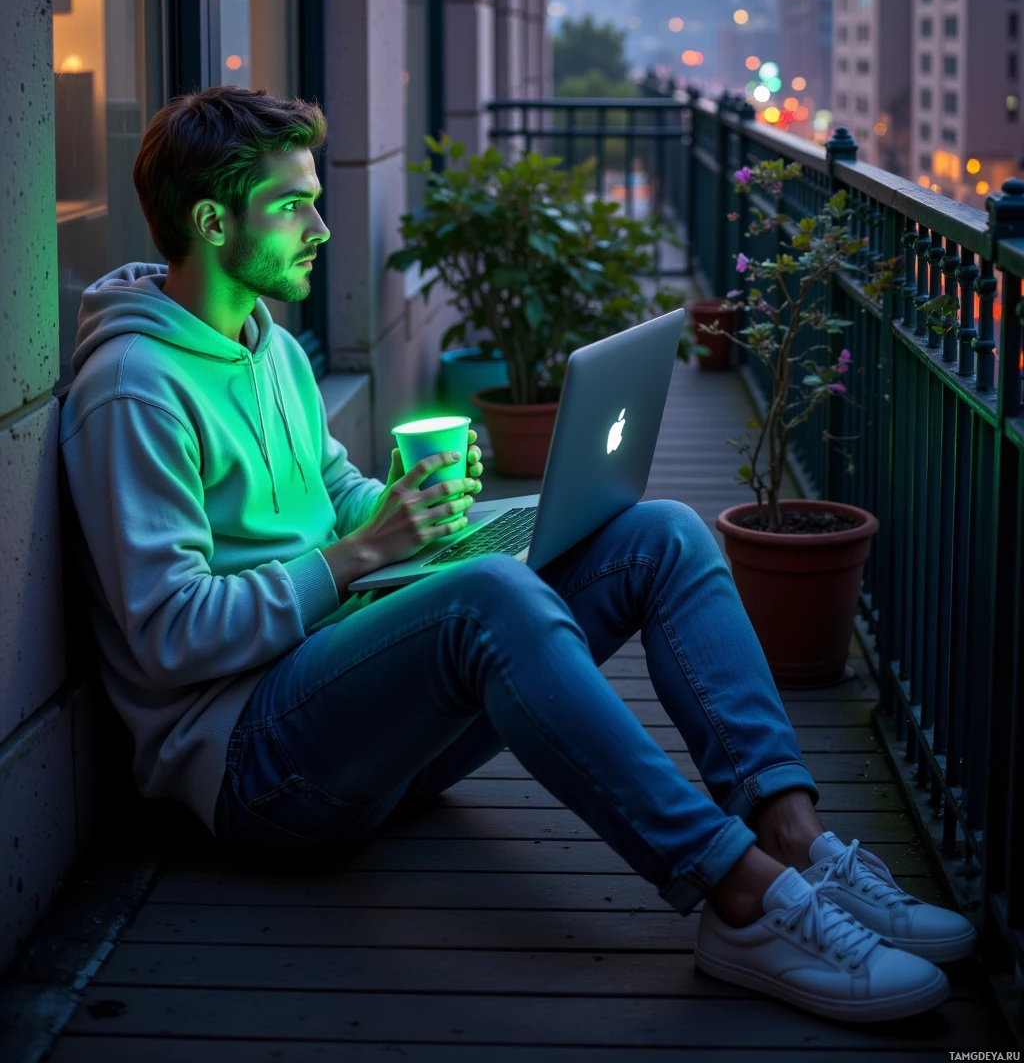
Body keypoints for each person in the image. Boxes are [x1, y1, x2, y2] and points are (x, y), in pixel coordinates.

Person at [60, 85, 975, 1026]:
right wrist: (361, 553)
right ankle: (740, 897)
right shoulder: (134, 391)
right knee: (488, 596)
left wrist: (415, 506)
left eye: (316, 199)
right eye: (293, 205)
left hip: (368, 728)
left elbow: (336, 495)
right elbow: (170, 634)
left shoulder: (274, 349)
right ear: (213, 222)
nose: (322, 228)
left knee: (660, 534)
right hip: (258, 771)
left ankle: (793, 837)